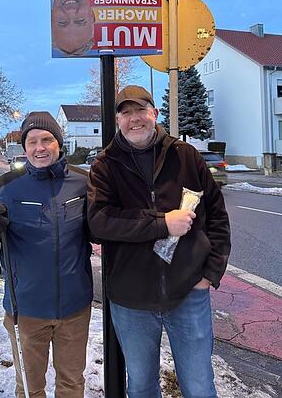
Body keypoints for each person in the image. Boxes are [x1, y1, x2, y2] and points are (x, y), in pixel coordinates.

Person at [87, 85, 231, 398]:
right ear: (117, 121)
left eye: (140, 110)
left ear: (155, 113)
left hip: (187, 294)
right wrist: (162, 224)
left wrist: (210, 273)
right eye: (125, 113)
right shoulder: (105, 165)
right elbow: (99, 223)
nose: (134, 119)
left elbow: (217, 216)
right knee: (140, 387)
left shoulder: (185, 156)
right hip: (131, 300)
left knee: (199, 387)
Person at [0, 111, 93, 398]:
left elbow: (101, 226)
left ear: (59, 142)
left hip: (74, 307)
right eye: (32, 141)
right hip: (25, 309)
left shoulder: (83, 182)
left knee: (72, 383)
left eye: (47, 139)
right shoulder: (7, 187)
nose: (40, 147)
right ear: (24, 148)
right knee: (30, 388)